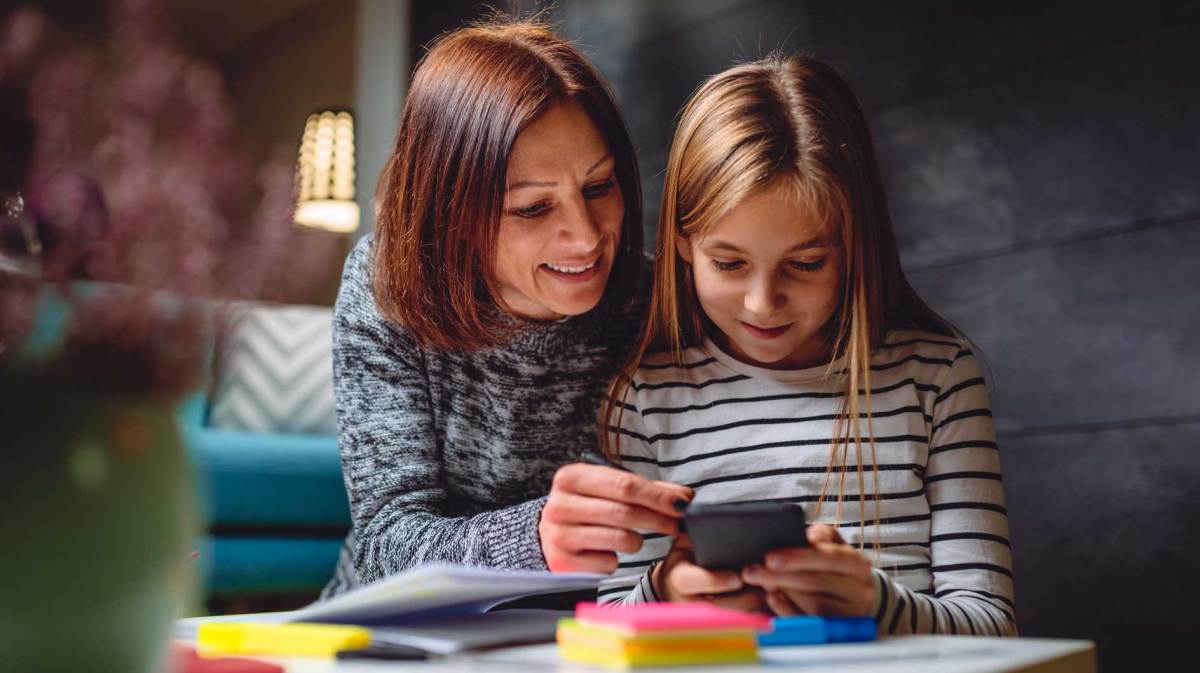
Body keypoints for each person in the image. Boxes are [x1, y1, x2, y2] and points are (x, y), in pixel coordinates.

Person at [595, 54, 1016, 637]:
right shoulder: (646, 398)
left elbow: (993, 627)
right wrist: (667, 590)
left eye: (806, 263)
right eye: (729, 262)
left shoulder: (937, 376)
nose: (762, 302)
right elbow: (607, 629)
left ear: (854, 248)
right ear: (683, 243)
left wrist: (874, 602)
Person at [321, 20, 691, 599]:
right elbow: (385, 543)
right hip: (398, 628)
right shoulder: (385, 287)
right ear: (452, 212)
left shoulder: (654, 300)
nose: (587, 237)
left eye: (599, 188)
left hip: (589, 632)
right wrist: (537, 538)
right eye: (533, 208)